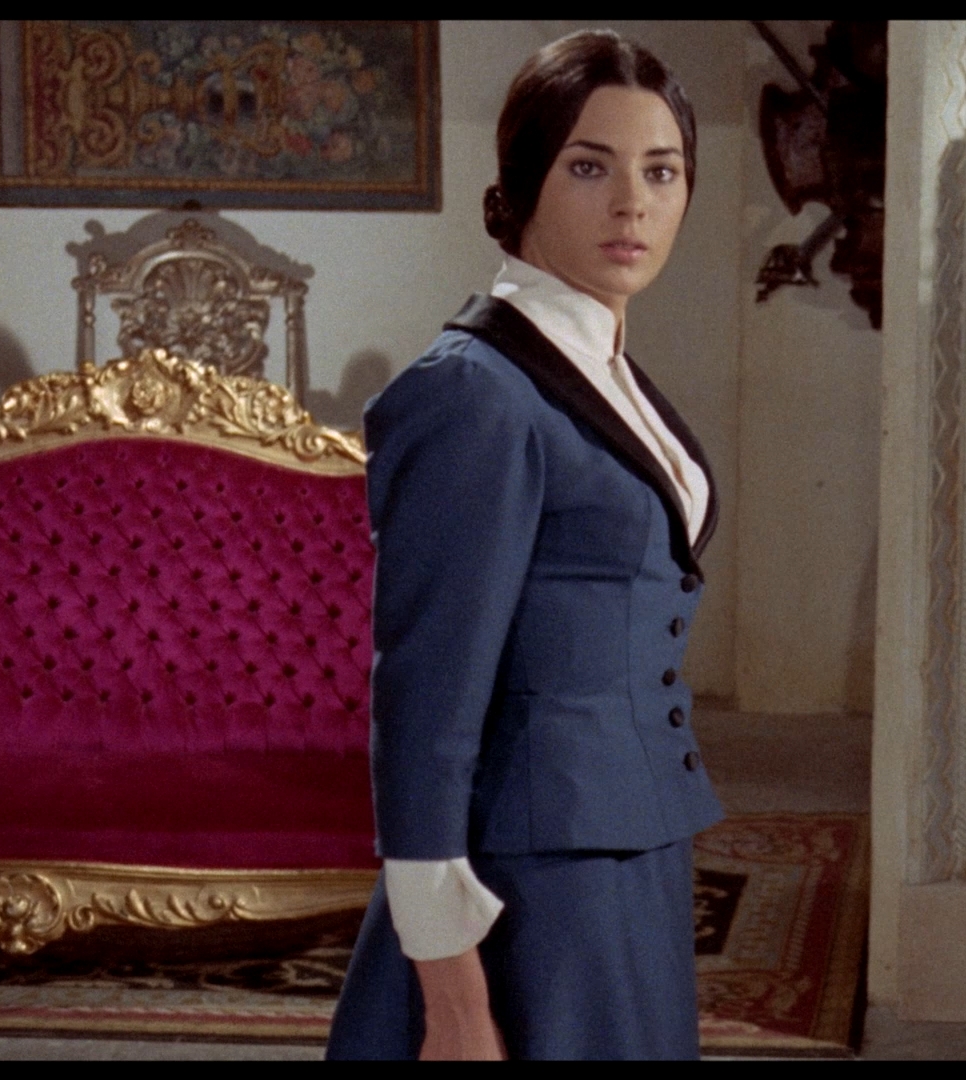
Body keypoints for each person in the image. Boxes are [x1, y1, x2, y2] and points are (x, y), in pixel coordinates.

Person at [326, 30, 722, 1061]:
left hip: (631, 848)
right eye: (590, 167)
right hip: (534, 883)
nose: (632, 204)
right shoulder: (473, 394)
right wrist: (455, 1002)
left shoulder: (601, 367)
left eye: (661, 171)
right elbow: (425, 707)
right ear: (525, 180)